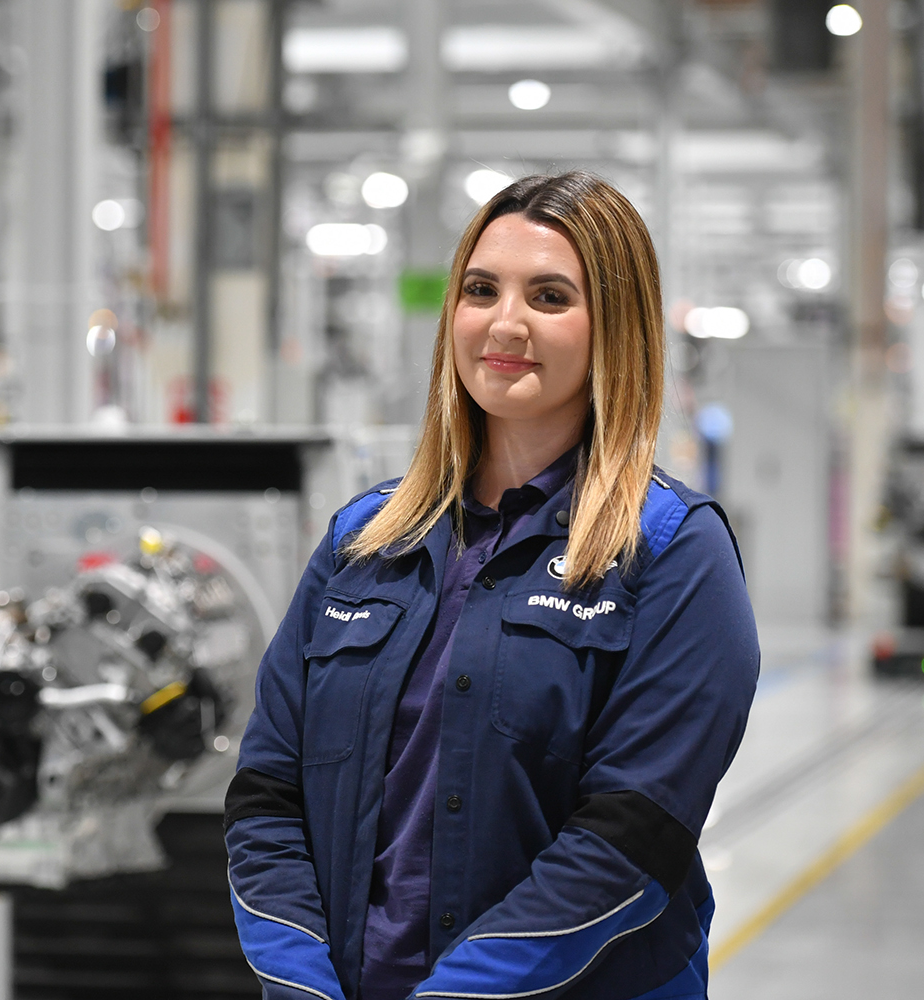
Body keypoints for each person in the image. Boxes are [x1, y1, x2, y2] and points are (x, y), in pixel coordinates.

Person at [224, 172, 759, 1000]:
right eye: (482, 290)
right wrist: (300, 983)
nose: (505, 323)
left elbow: (631, 837)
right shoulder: (362, 543)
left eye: (549, 296)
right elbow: (266, 794)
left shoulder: (674, 556)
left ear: (613, 329)